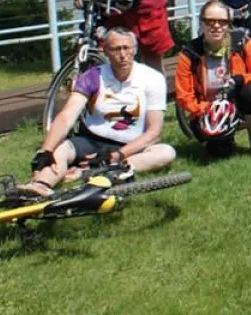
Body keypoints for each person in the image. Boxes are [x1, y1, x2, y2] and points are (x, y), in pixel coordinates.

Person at [17, 27, 176, 198]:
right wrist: (45, 151)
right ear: (106, 51)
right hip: (91, 141)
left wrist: (116, 156)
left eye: (127, 48)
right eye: (116, 49)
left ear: (135, 50)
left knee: (166, 152)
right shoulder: (92, 76)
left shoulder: (153, 78)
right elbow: (66, 116)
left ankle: (102, 170)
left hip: (129, 146)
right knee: (58, 149)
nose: (123, 55)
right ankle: (40, 186)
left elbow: (154, 133)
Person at [174, 1, 251, 159]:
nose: (216, 26)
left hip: (237, 104)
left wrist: (241, 79)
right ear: (202, 23)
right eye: (210, 21)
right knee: (219, 154)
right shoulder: (189, 52)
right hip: (206, 109)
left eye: (222, 21)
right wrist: (206, 109)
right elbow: (183, 96)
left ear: (228, 24)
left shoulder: (242, 42)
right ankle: (222, 140)